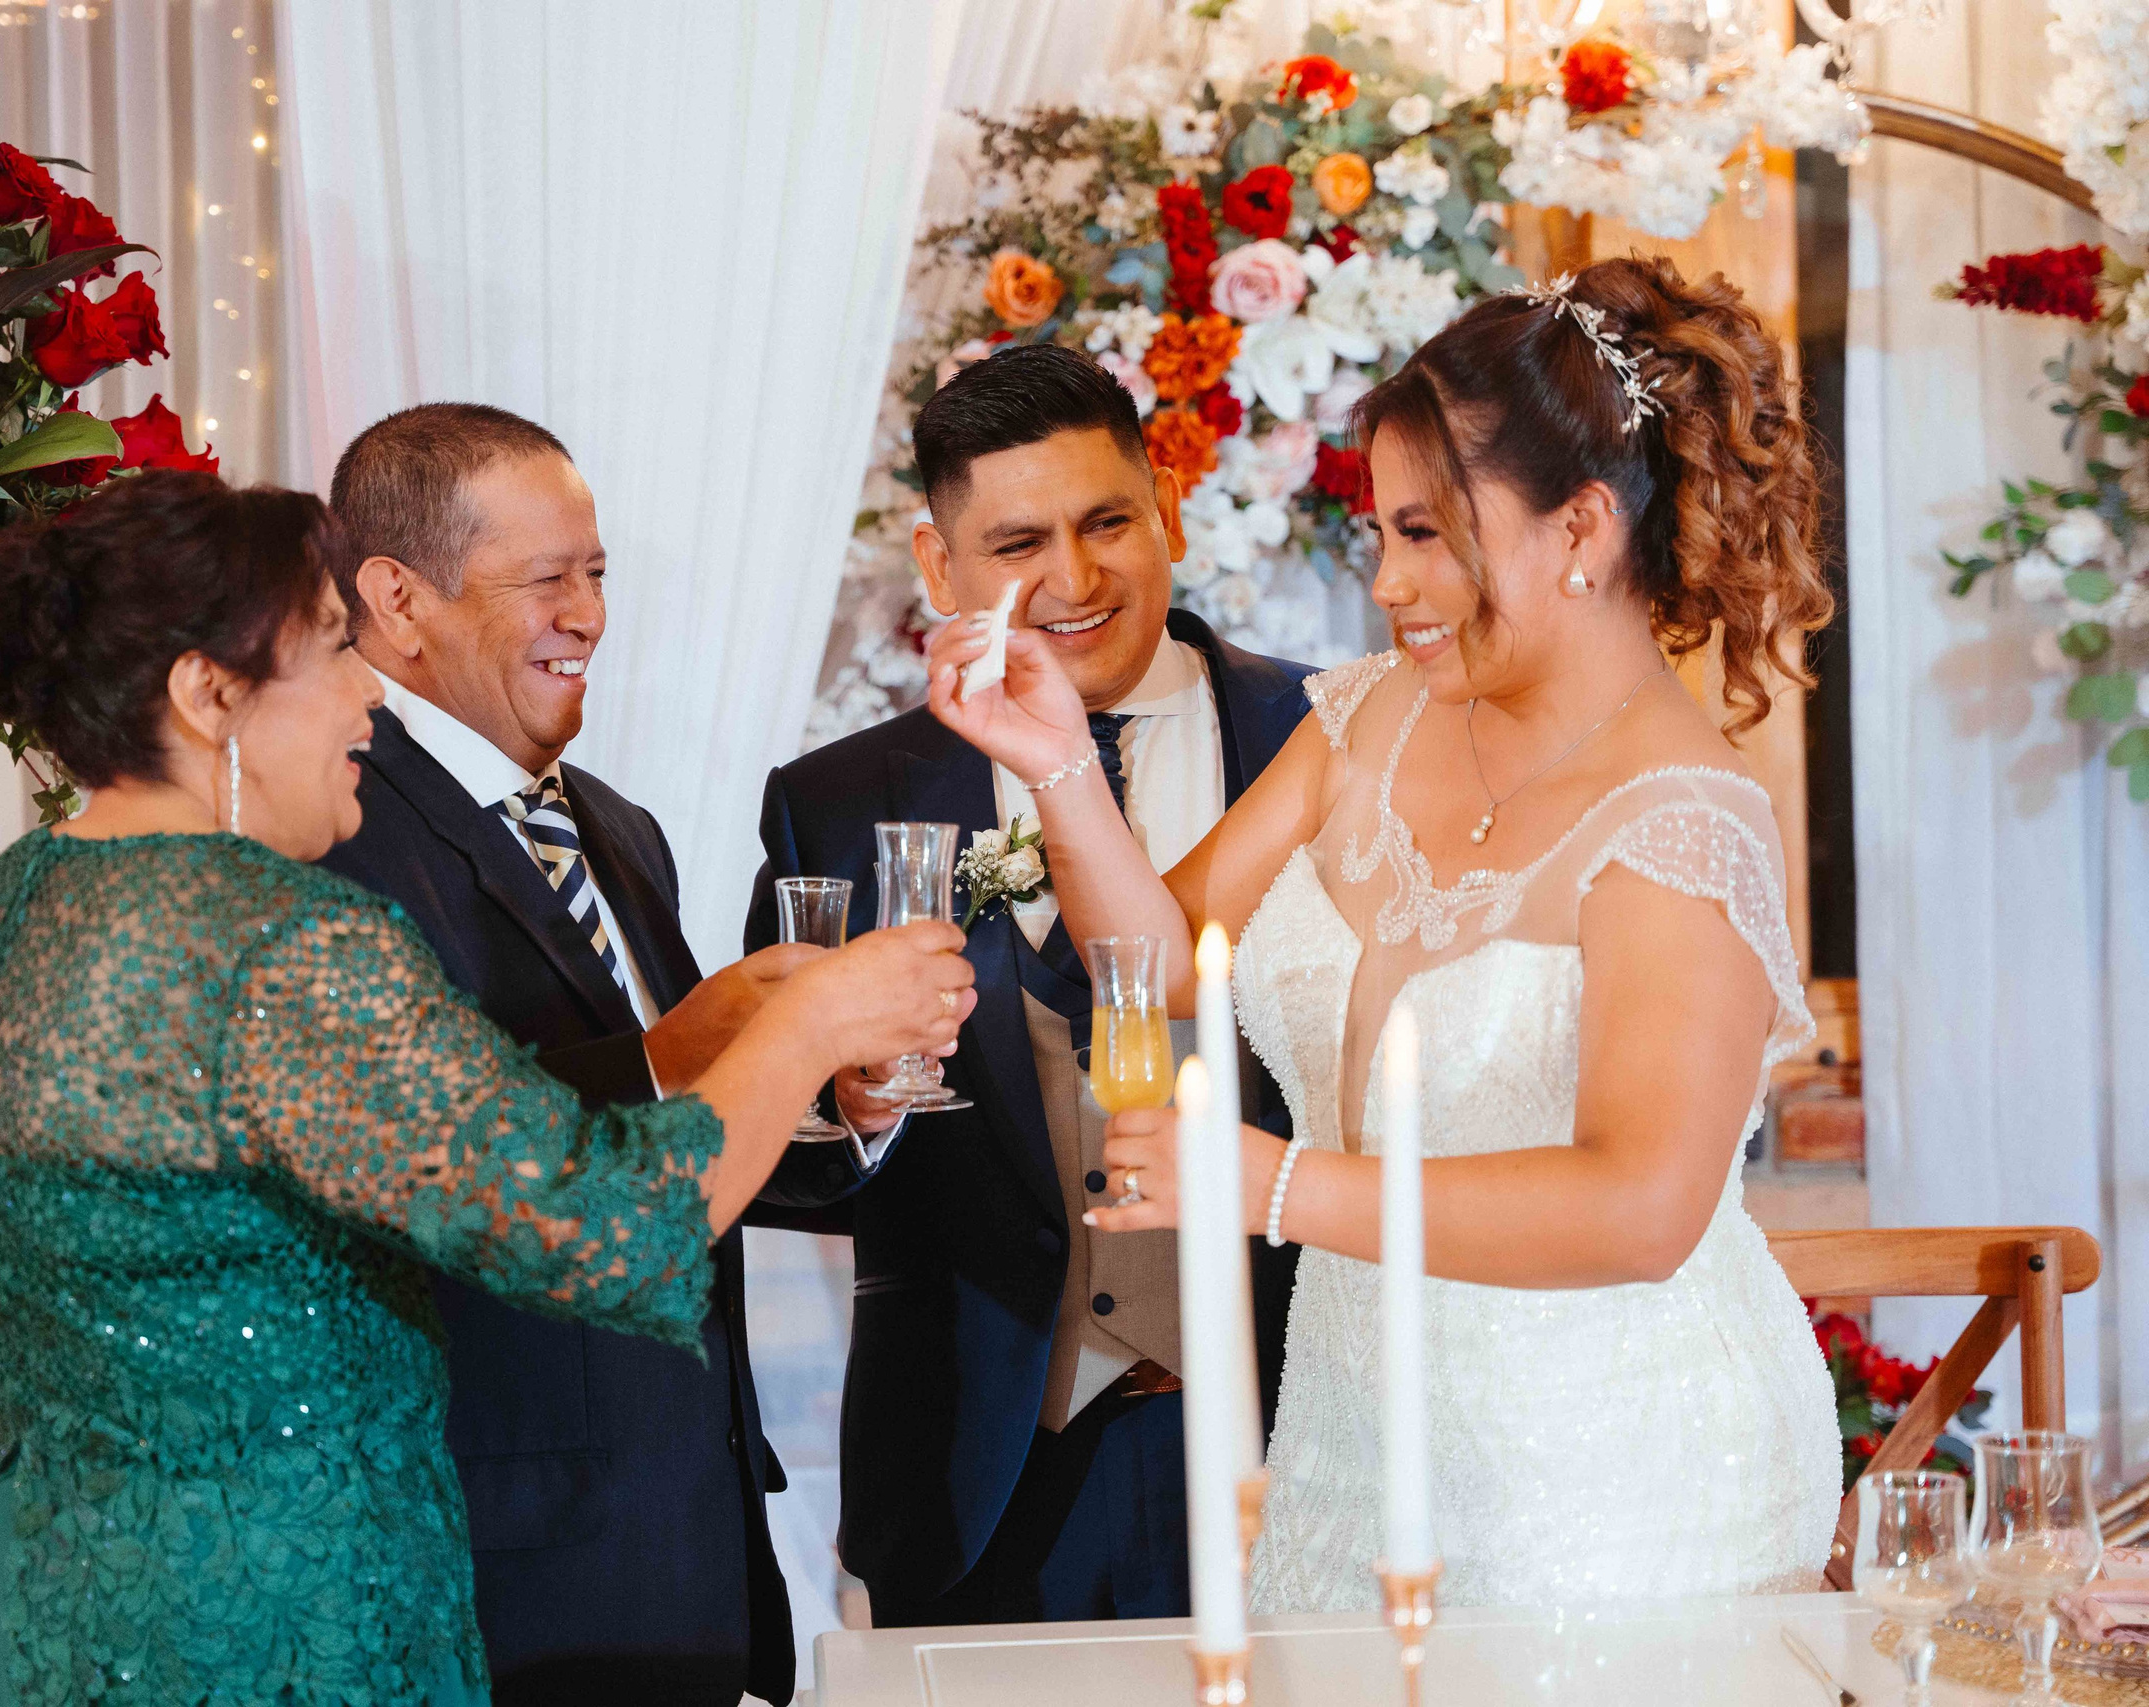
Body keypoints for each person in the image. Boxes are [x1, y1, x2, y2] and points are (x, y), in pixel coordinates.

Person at [0, 471, 975, 1706]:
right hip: (283, 1633)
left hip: (34, 1620)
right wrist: (809, 1025)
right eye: (329, 649)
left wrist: (102, 1540)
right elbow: (613, 1230)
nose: (369, 691)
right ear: (211, 696)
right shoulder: (278, 938)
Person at [926, 255, 1842, 1612]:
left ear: (1579, 529)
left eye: (1425, 534)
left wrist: (1273, 1184)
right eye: (1381, 534)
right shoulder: (1366, 716)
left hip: (1618, 1476)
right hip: (1353, 1443)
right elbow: (1171, 954)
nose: (1387, 581)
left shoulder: (1683, 816)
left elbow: (1644, 1206)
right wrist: (1058, 762)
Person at [745, 343, 1316, 1626]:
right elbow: (768, 1151)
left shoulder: (1321, 737)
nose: (1073, 577)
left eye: (1107, 520)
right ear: (939, 566)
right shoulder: (840, 804)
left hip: (1300, 1441)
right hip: (978, 1471)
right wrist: (854, 1103)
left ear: (1166, 501)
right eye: (1016, 543)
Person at [318, 403, 859, 1704]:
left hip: (685, 1542)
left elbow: (695, 1153)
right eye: (546, 577)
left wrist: (837, 1092)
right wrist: (694, 1050)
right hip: (497, 1569)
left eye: (598, 572)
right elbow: (422, 1174)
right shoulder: (333, 827)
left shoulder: (617, 826)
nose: (590, 613)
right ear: (397, 596)